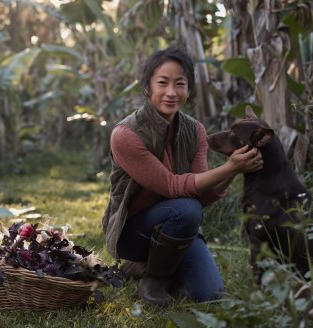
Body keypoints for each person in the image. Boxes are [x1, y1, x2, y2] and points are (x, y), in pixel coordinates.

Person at [101, 46, 263, 306]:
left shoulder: (194, 130)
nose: (171, 92)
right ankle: (154, 278)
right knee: (186, 209)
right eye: (162, 83)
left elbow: (200, 193)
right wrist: (230, 168)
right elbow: (173, 187)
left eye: (180, 84)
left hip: (178, 228)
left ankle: (143, 266)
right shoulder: (126, 135)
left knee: (209, 295)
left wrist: (237, 167)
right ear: (147, 87)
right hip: (133, 233)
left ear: (189, 89)